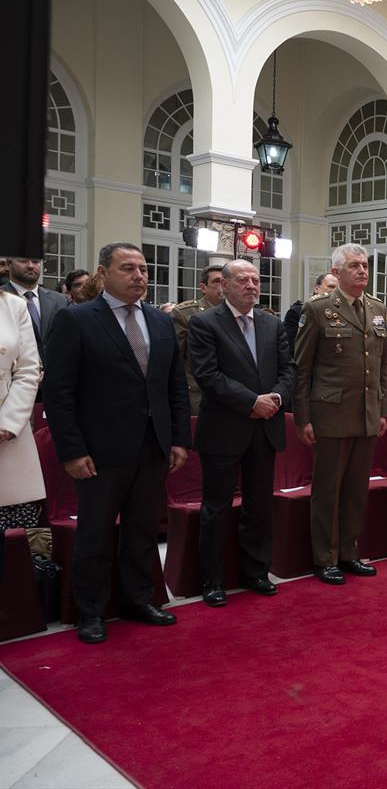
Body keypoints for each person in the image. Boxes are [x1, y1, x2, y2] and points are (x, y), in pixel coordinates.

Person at [43, 243, 191, 644]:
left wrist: (178, 439)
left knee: (142, 530)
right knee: (95, 532)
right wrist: (72, 451)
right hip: (99, 450)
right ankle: (91, 611)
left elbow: (174, 386)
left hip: (152, 446)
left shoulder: (160, 323)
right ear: (102, 273)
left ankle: (138, 600)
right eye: (128, 269)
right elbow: (59, 393)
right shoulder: (76, 321)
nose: (139, 276)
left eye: (143, 269)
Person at [187, 260, 293, 606]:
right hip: (224, 428)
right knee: (216, 507)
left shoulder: (271, 323)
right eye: (243, 280)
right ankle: (213, 579)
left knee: (259, 504)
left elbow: (288, 369)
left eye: (255, 280)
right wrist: (251, 402)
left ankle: (256, 572)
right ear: (225, 286)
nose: (251, 285)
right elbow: (208, 375)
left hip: (266, 427)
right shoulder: (205, 323)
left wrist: (275, 397)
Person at [292, 244, 387, 585]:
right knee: (328, 490)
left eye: (364, 265)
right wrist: (302, 417)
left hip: (366, 413)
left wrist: (382, 410)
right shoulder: (318, 309)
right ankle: (325, 557)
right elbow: (302, 368)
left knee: (356, 490)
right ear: (337, 272)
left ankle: (349, 552)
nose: (362, 271)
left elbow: (381, 367)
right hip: (330, 413)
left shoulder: (376, 308)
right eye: (354, 266)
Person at [0, 291, 45, 534]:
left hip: (6, 435)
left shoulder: (13, 305)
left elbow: (28, 370)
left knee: (10, 545)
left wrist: (8, 424)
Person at [170, 265, 225, 414]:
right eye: (216, 281)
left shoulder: (237, 315)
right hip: (198, 393)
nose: (222, 286)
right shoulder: (186, 314)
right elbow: (176, 358)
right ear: (203, 287)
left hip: (230, 393)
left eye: (225, 281)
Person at [4, 257, 68, 357]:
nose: (30, 266)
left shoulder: (61, 301)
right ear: (8, 264)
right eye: (23, 261)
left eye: (35, 261)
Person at [284, 272, 338, 355]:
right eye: (331, 287)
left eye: (338, 289)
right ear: (317, 288)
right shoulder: (297, 312)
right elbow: (290, 348)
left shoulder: (340, 314)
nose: (334, 291)